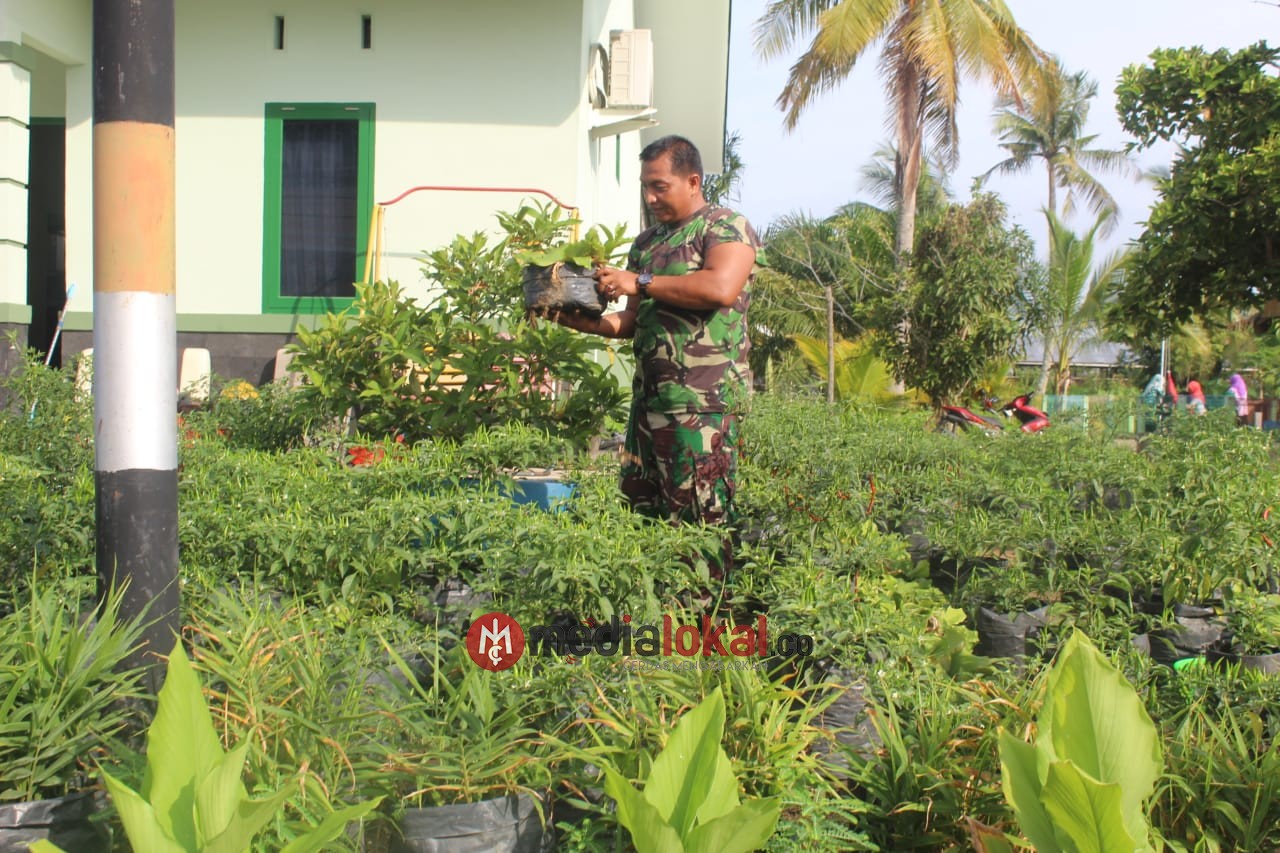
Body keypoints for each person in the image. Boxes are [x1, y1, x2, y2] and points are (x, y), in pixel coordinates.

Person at [553, 135, 761, 581]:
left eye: (659, 187)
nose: (650, 198)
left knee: (701, 521)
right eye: (645, 187)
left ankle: (703, 629)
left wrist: (639, 281)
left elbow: (719, 288)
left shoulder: (726, 227)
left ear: (692, 180)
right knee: (642, 516)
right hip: (649, 405)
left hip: (703, 406)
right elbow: (630, 321)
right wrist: (578, 321)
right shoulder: (646, 243)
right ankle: (656, 620)